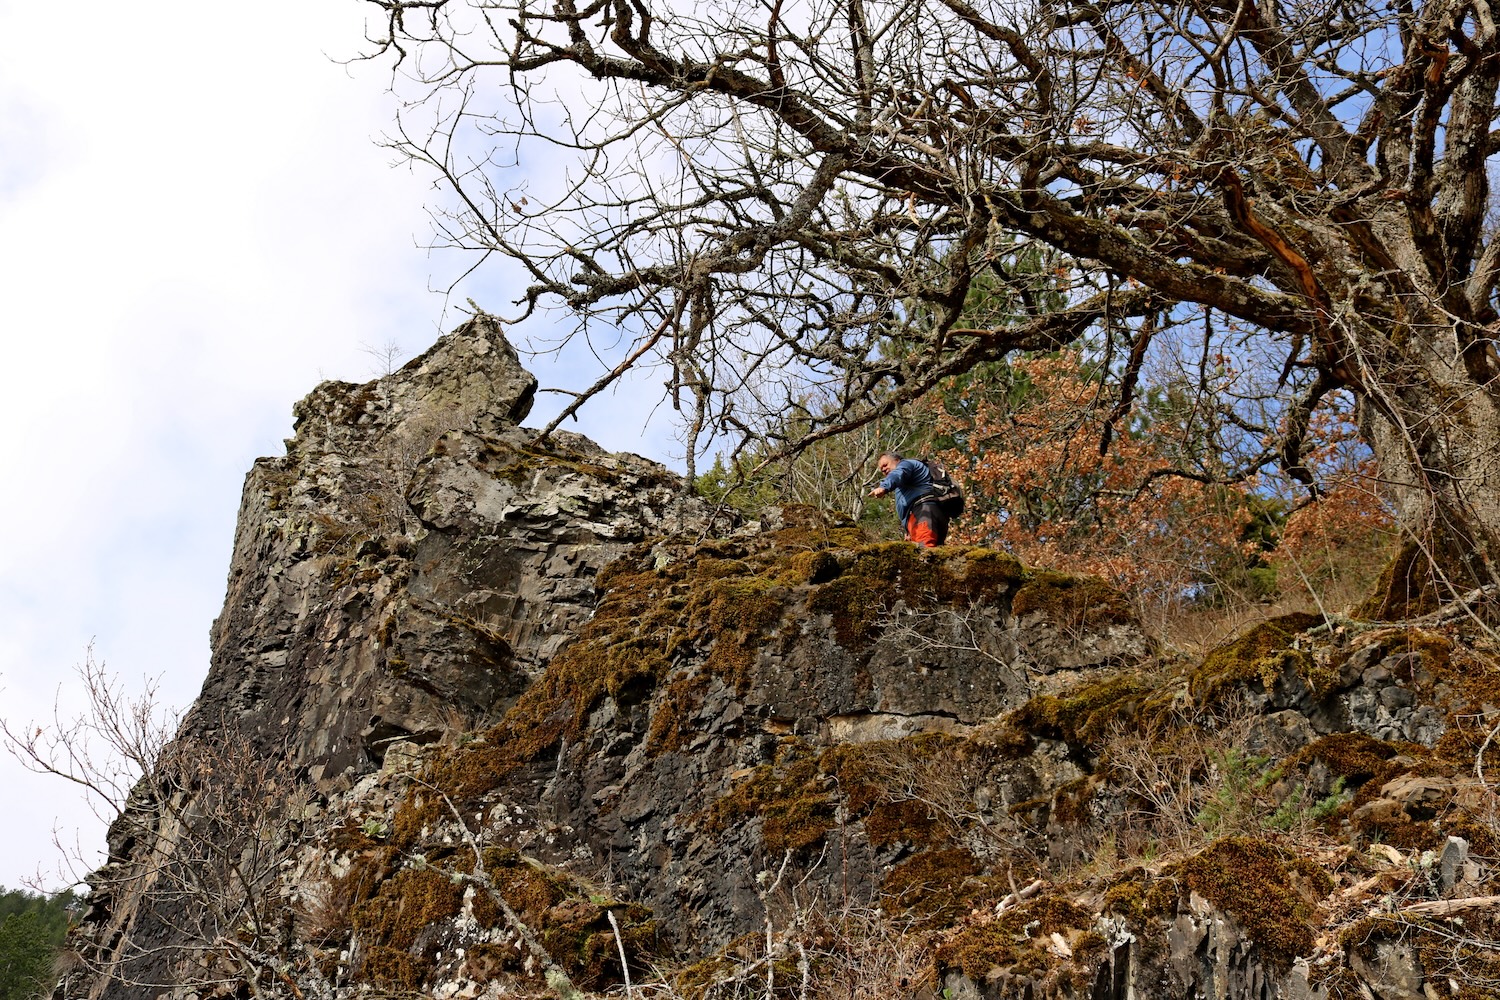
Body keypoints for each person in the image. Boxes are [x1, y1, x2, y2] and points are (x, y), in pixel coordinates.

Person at [868, 452, 950, 547]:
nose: (884, 470)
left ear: (896, 460)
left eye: (885, 465)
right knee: (934, 554)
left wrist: (884, 487)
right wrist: (908, 531)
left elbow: (898, 474)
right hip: (928, 514)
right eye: (882, 470)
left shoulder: (905, 464)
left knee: (925, 552)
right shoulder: (905, 483)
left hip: (924, 512)